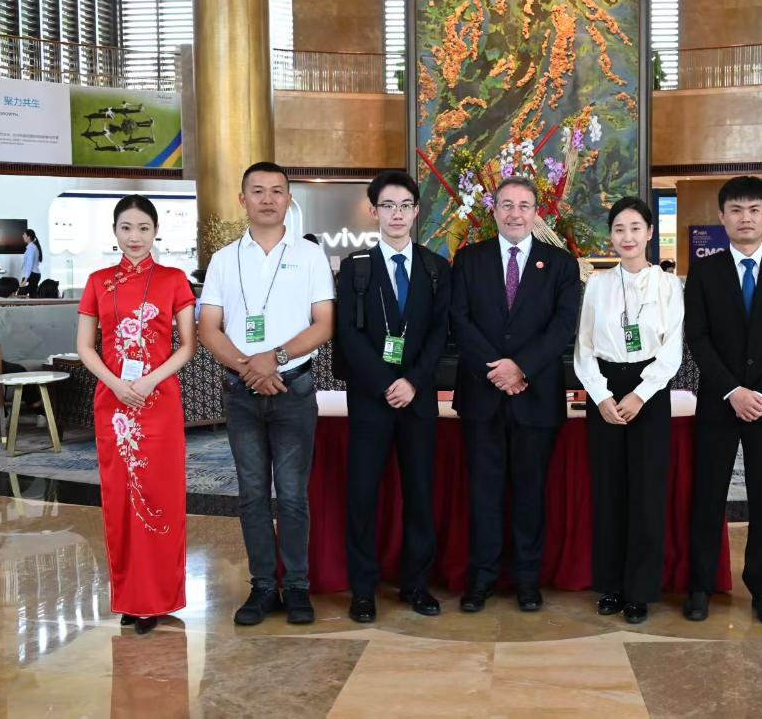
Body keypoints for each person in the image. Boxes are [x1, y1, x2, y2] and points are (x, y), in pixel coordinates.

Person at [198, 161, 335, 627]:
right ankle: (261, 586)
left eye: (277, 191)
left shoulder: (310, 256)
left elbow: (324, 323)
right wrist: (248, 368)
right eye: (257, 191)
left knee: (293, 495)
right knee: (252, 494)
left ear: (288, 200)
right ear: (243, 200)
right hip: (242, 392)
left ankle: (296, 586)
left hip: (294, 388)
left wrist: (273, 359)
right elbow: (208, 328)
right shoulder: (224, 259)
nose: (268, 199)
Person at [450, 175, 581, 613]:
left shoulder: (560, 264)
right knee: (482, 494)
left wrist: (521, 367)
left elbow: (563, 327)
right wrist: (498, 370)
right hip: (482, 396)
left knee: (530, 495)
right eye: (506, 205)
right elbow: (459, 320)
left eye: (524, 205)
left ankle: (527, 580)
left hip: (535, 398)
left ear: (536, 213)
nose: (515, 213)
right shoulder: (469, 260)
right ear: (494, 211)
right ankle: (481, 579)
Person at [683, 176, 762, 626]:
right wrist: (733, 391)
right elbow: (697, 337)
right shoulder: (705, 270)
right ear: (722, 217)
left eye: (754, 209)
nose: (745, 218)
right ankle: (699, 587)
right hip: (719, 402)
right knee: (708, 495)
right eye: (736, 210)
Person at [75, 195, 197, 635]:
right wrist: (114, 383)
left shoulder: (174, 280)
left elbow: (187, 346)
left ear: (156, 231)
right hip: (114, 405)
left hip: (158, 401)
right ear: (114, 231)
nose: (135, 237)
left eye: (144, 228)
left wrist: (148, 381)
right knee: (121, 499)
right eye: (126, 228)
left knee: (161, 495)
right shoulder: (97, 281)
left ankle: (159, 597)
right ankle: (131, 598)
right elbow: (85, 346)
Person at [336, 171, 451, 624]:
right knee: (362, 496)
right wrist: (386, 382)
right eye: (388, 205)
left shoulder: (435, 268)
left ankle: (416, 584)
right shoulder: (356, 267)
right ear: (373, 211)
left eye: (405, 205)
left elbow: (440, 333)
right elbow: (347, 334)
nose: (397, 214)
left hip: (418, 399)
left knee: (420, 493)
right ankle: (363, 590)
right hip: (370, 399)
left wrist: (413, 382)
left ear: (416, 211)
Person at [573, 196, 683, 624]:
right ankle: (612, 586)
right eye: (619, 229)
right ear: (611, 236)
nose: (628, 236)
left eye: (636, 228)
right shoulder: (597, 284)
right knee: (609, 492)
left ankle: (640, 590)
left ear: (650, 233)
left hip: (649, 393)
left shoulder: (668, 285)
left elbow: (671, 351)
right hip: (604, 390)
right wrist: (601, 396)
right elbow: (583, 347)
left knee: (646, 494)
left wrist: (641, 393)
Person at [19, 229, 43, 297]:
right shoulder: (32, 247)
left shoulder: (31, 248)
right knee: (33, 295)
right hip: (34, 274)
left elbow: (29, 264)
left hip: (31, 275)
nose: (23, 236)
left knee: (20, 295)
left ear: (29, 237)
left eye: (24, 235)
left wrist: (26, 278)